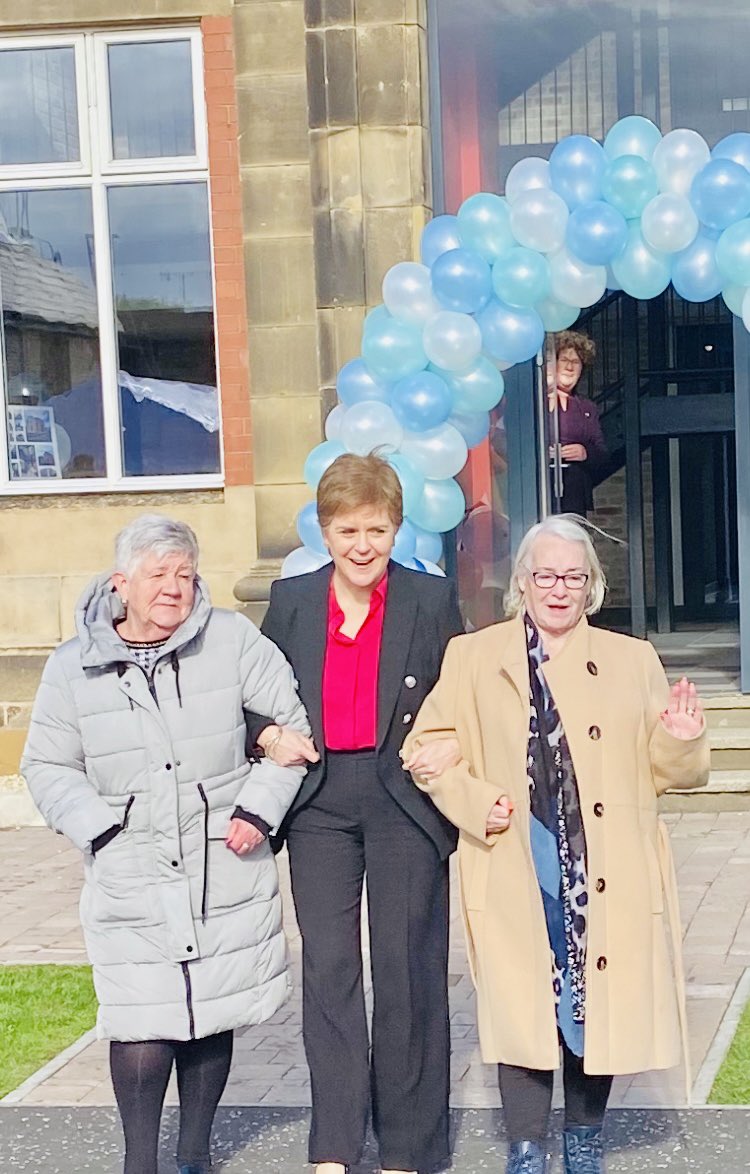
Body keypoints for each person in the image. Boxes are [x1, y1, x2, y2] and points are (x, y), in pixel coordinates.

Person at [402, 514, 710, 1174]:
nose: (559, 589)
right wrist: (477, 803)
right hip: (519, 856)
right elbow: (423, 749)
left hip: (604, 868)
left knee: (592, 997)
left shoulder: (634, 660)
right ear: (522, 582)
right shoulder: (474, 657)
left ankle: (585, 1136)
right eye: (545, 575)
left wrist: (681, 737)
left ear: (593, 586)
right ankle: (524, 1144)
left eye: (574, 576)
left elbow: (673, 773)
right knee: (524, 1000)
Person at [21, 515, 314, 1174]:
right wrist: (100, 830)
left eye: (185, 575)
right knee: (141, 1020)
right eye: (158, 575)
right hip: (131, 865)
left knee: (211, 1012)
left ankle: (195, 1155)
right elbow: (47, 766)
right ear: (121, 583)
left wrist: (259, 813)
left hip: (222, 857)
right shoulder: (72, 668)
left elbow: (292, 729)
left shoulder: (234, 641)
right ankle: (139, 1162)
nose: (174, 588)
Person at [246, 452, 463, 1174]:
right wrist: (268, 733)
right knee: (331, 970)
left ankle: (407, 1147)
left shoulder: (431, 603)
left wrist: (450, 745)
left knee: (407, 970)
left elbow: (455, 699)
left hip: (403, 801)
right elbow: (254, 695)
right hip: (320, 805)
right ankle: (335, 1146)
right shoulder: (291, 600)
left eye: (376, 528)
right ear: (325, 530)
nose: (362, 545)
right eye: (347, 530)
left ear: (397, 527)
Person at [548, 331, 608, 516]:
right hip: (542, 488)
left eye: (575, 362)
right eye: (564, 360)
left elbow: (602, 455)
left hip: (575, 495)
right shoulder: (537, 401)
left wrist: (584, 453)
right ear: (553, 364)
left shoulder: (587, 407)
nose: (569, 367)